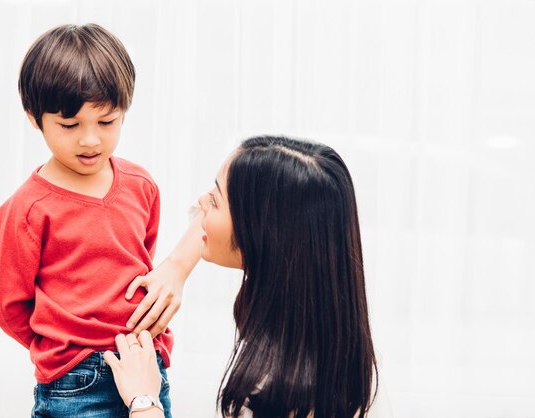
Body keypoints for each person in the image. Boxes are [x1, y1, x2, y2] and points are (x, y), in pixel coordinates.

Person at [0, 23, 201, 418]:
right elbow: (7, 306)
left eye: (107, 122)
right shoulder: (28, 209)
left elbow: (140, 264)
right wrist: (65, 346)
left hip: (146, 367)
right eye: (70, 126)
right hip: (75, 381)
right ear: (35, 118)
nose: (90, 140)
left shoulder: (141, 185)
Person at [104, 136, 385, 418]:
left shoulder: (285, 390)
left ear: (258, 231)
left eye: (214, 199)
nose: (201, 203)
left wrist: (144, 400)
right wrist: (176, 267)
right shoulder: (334, 350)